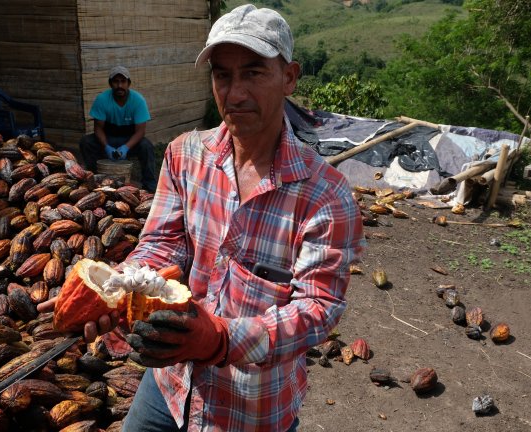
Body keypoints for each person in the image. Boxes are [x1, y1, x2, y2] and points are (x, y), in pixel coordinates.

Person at [41, 4, 364, 431]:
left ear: (289, 77)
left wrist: (221, 339)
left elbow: (318, 309)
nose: (234, 94)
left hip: (250, 407)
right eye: (222, 75)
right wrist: (116, 286)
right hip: (170, 385)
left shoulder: (326, 195)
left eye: (253, 73)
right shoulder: (183, 155)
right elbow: (163, 245)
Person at [78, 65, 158, 192]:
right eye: (116, 81)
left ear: (128, 83)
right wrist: (106, 146)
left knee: (146, 146)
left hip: (129, 139)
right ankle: (94, 179)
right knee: (86, 142)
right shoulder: (102, 100)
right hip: (108, 137)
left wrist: (126, 147)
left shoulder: (138, 101)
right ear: (110, 84)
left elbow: (140, 131)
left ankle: (150, 186)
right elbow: (98, 129)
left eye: (123, 81)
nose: (119, 85)